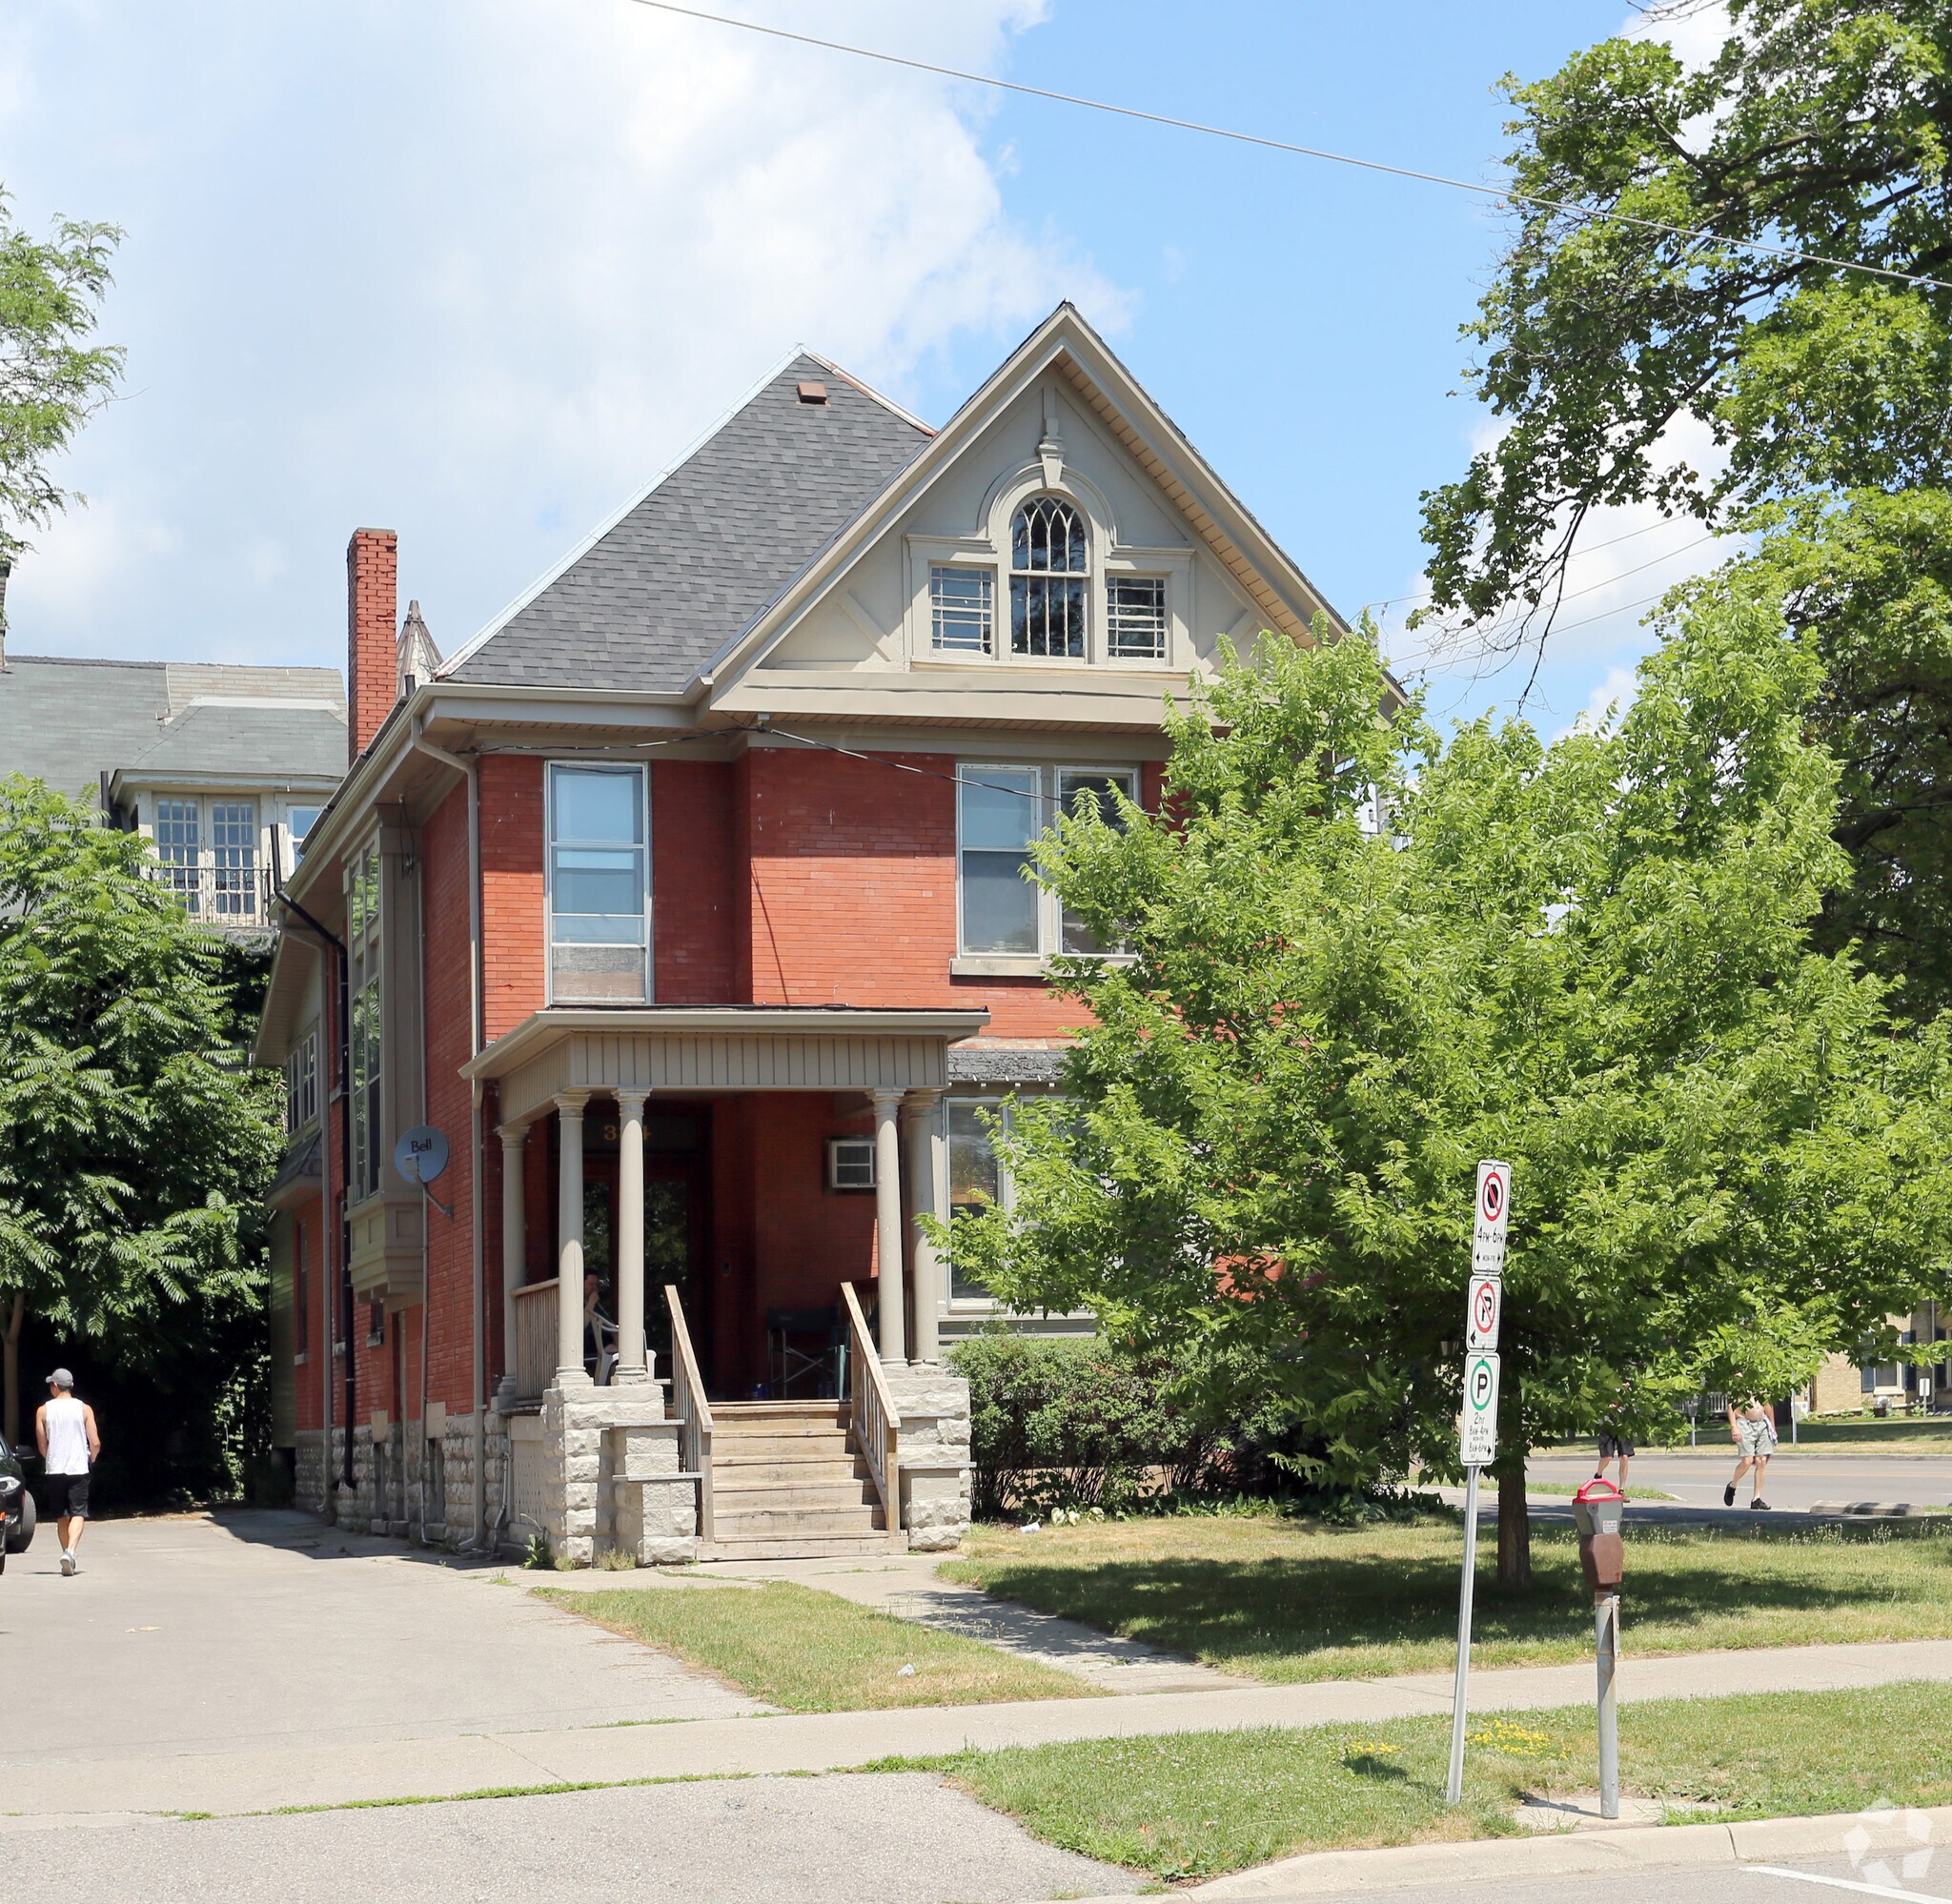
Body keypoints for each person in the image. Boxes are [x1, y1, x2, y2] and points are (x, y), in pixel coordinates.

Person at [35, 1368, 101, 1576]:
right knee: (79, 1512)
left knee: (62, 1516)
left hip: (55, 1469)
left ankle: (67, 1554)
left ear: (55, 1386)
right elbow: (96, 1442)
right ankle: (70, 1552)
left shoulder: (43, 1411)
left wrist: (52, 1458)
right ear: (70, 1386)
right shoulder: (85, 1409)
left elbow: (42, 1445)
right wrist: (91, 1457)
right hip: (78, 1467)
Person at [1724, 1393, 1778, 1509]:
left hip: (1761, 1423)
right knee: (1747, 1461)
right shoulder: (1739, 1378)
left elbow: (1767, 1404)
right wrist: (1734, 1427)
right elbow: (1731, 1406)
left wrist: (1772, 1426)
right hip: (1744, 1423)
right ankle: (1732, 1486)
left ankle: (1756, 1499)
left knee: (1762, 1460)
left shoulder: (1761, 1381)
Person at [1594, 1380, 1636, 1493]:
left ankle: (1621, 1490)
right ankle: (1598, 1474)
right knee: (1607, 1457)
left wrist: (1627, 1389)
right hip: (1607, 1425)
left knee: (1624, 1457)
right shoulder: (1606, 1386)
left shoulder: (1628, 1389)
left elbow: (1632, 1402)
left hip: (1623, 1425)